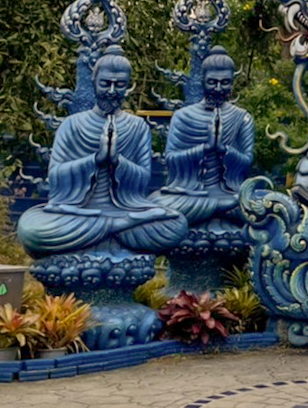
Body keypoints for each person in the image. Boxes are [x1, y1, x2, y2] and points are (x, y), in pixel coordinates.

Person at [18, 47, 188, 257]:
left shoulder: (138, 127)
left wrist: (118, 162)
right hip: (78, 212)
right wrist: (94, 161)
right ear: (94, 82)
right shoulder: (72, 125)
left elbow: (143, 179)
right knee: (30, 230)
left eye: (120, 85)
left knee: (177, 224)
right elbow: (55, 175)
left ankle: (105, 228)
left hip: (124, 210)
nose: (112, 91)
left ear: (128, 86)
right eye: (106, 83)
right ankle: (115, 228)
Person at [155, 48, 255, 228]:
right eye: (212, 82)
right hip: (190, 195)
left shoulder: (242, 118)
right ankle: (216, 209)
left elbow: (247, 160)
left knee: (262, 205)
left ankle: (213, 209)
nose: (218, 88)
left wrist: (224, 150)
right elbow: (170, 159)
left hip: (229, 194)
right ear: (202, 81)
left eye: (225, 83)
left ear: (232, 83)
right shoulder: (182, 116)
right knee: (157, 207)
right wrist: (204, 149)